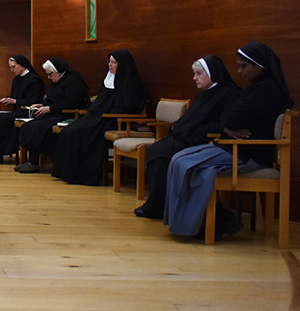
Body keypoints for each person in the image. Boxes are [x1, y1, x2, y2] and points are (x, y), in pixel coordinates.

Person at [165, 42, 292, 239]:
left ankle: (199, 225)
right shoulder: (256, 88)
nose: (239, 71)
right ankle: (202, 223)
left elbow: (230, 118)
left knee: (184, 163)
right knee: (179, 158)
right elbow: (228, 117)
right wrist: (227, 124)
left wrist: (227, 123)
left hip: (247, 153)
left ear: (259, 66)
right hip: (233, 148)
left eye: (243, 66)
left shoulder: (266, 90)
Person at [133, 55, 239, 219]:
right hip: (186, 138)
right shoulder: (203, 94)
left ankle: (160, 207)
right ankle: (158, 204)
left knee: (161, 155)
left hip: (203, 141)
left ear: (211, 74)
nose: (194, 78)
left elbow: (222, 124)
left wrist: (191, 131)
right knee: (156, 150)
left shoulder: (229, 94)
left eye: (198, 74)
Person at [51, 49, 146, 186]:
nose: (110, 65)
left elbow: (129, 106)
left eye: (114, 63)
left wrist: (102, 114)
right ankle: (66, 173)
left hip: (115, 120)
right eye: (109, 62)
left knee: (81, 134)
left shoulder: (130, 83)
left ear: (122, 64)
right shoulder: (108, 79)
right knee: (68, 131)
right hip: (99, 116)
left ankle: (83, 175)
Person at [15, 58, 90, 174]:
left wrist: (49, 108)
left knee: (37, 127)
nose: (49, 77)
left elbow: (71, 102)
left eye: (50, 74)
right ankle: (31, 161)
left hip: (66, 114)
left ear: (58, 71)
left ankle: (33, 162)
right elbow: (52, 99)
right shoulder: (56, 81)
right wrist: (42, 105)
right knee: (29, 125)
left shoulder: (73, 81)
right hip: (54, 113)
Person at [0, 54, 45, 164]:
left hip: (26, 112)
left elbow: (33, 102)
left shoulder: (34, 80)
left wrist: (15, 101)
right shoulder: (17, 79)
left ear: (22, 65)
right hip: (16, 110)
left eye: (13, 67)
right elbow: (14, 96)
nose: (12, 70)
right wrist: (8, 99)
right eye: (10, 67)